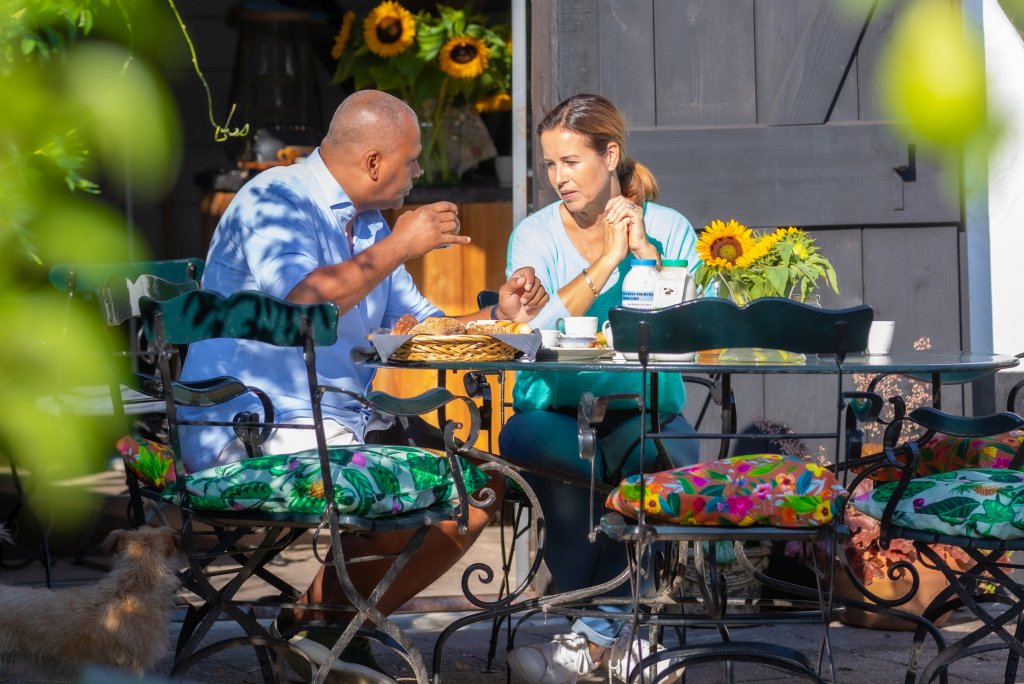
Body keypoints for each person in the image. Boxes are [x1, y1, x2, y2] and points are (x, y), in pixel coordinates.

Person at [178, 89, 549, 682]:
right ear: (375, 162)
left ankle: (321, 624)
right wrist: (402, 242)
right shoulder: (274, 199)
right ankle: (325, 629)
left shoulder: (367, 223)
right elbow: (301, 298)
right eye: (412, 160)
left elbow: (424, 327)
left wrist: (499, 314)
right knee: (422, 480)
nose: (419, 173)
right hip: (251, 428)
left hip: (339, 421)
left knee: (481, 489)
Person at [500, 93, 701, 684]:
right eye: (550, 164)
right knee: (564, 470)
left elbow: (689, 327)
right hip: (552, 413)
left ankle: (590, 635)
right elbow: (530, 327)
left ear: (609, 154)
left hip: (645, 413)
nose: (558, 178)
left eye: (571, 162)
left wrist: (641, 252)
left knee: (657, 463)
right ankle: (618, 634)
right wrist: (607, 263)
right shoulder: (534, 234)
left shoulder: (668, 228)